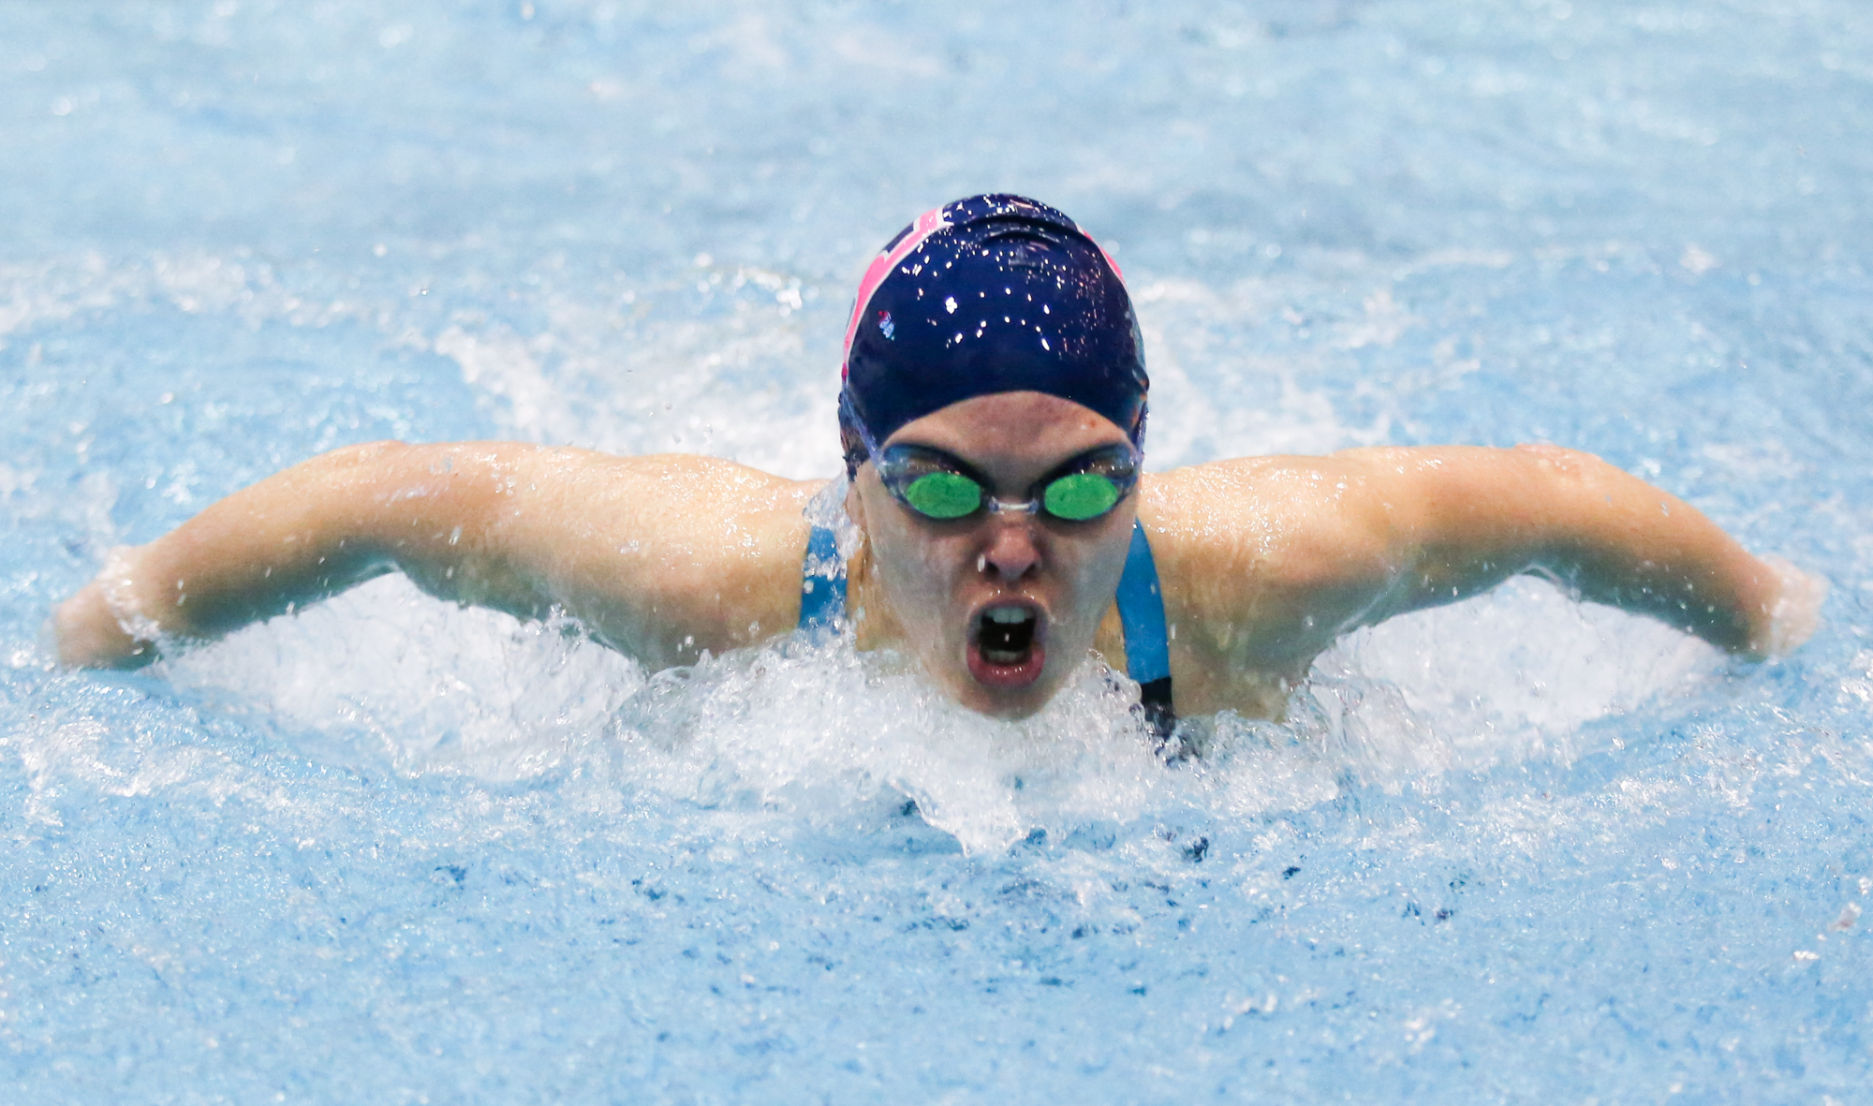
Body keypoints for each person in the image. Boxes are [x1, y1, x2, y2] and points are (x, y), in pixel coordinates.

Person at [52, 194, 1823, 738]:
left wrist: (1780, 622)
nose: (1010, 546)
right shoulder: (709, 583)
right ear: (847, 480)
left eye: (1072, 489)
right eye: (941, 485)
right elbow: (383, 497)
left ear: (1138, 473)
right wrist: (85, 647)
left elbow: (1547, 505)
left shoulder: (1253, 577)